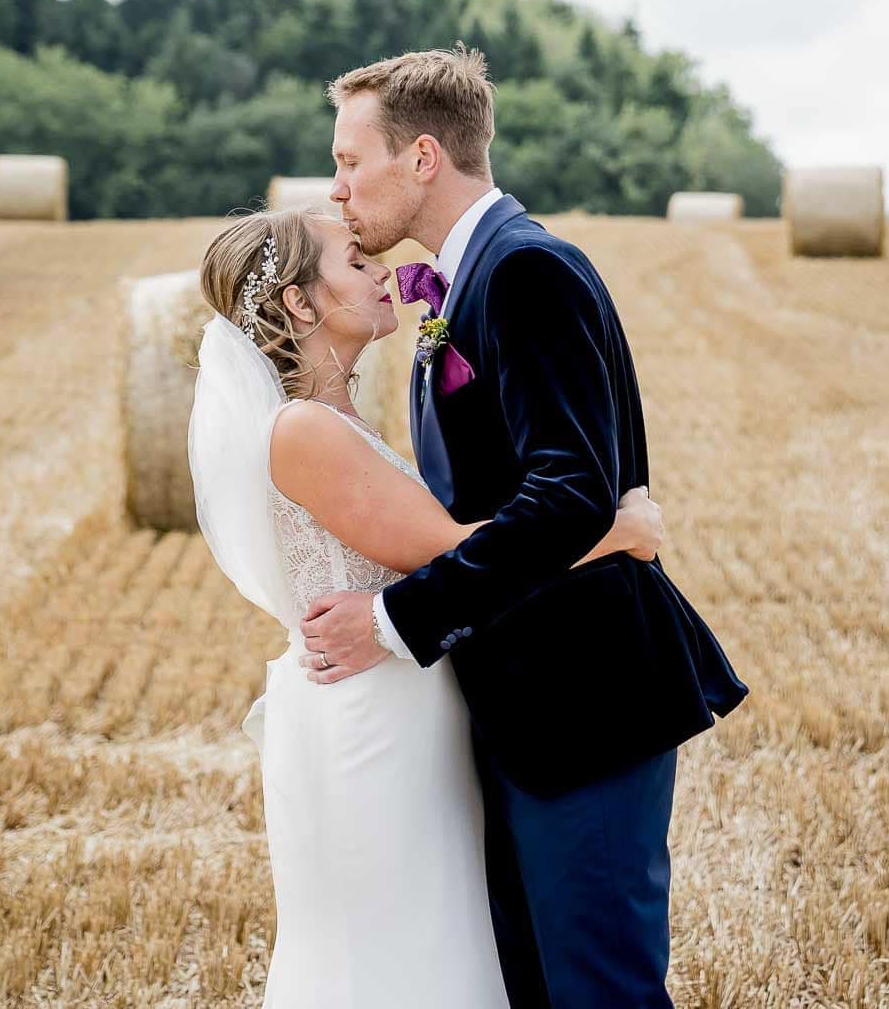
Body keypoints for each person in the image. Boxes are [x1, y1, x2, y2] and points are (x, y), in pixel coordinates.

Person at [298, 46, 749, 1007]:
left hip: (582, 698)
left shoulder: (525, 271)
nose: (337, 188)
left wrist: (391, 623)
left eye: (349, 160)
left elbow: (571, 492)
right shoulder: (462, 286)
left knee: (599, 992)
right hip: (514, 706)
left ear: (423, 158)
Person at [189, 204, 666, 1008]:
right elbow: (448, 547)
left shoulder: (333, 419)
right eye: (353, 261)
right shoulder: (305, 428)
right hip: (373, 718)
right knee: (396, 952)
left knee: (432, 940)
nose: (381, 266)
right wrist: (615, 529)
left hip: (400, 696)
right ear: (301, 304)